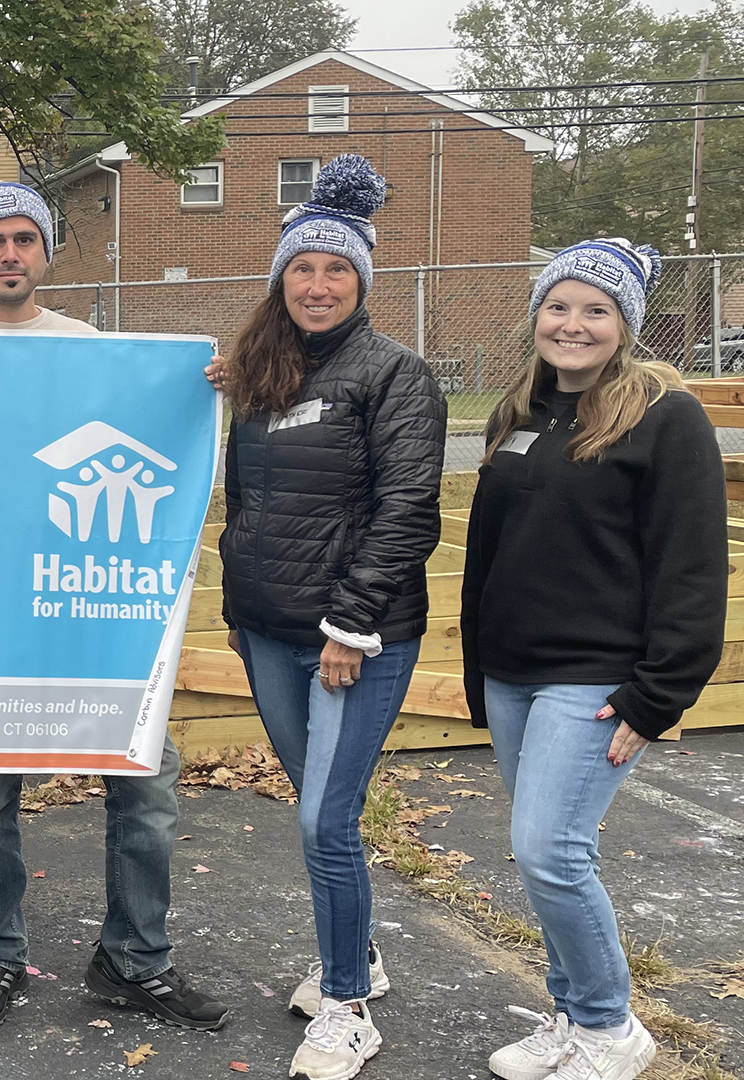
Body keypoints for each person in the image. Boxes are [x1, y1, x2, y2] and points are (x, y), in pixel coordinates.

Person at [0, 181, 229, 1033]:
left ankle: (135, 961)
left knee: (144, 782)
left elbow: (148, 426)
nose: (9, 254)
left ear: (46, 252)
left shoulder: (90, 347)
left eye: (25, 239)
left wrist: (198, 387)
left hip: (88, 609)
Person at [463, 239, 724, 1080]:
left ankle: (611, 1026)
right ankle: (571, 1015)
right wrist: (479, 669)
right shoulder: (523, 410)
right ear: (537, 313)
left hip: (597, 678)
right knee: (544, 852)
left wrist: (660, 694)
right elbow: (486, 552)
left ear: (626, 326)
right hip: (512, 674)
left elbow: (692, 561)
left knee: (551, 850)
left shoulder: (665, 415)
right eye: (559, 306)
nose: (573, 324)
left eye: (596, 310)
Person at [214, 154, 447, 1080]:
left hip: (354, 640)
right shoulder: (261, 373)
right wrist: (238, 608)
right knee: (321, 812)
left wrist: (349, 629)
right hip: (266, 631)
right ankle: (366, 956)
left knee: (324, 822)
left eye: (337, 270)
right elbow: (250, 500)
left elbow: (407, 511)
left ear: (362, 282)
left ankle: (348, 1004)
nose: (318, 284)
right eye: (303, 269)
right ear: (281, 280)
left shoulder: (396, 374)